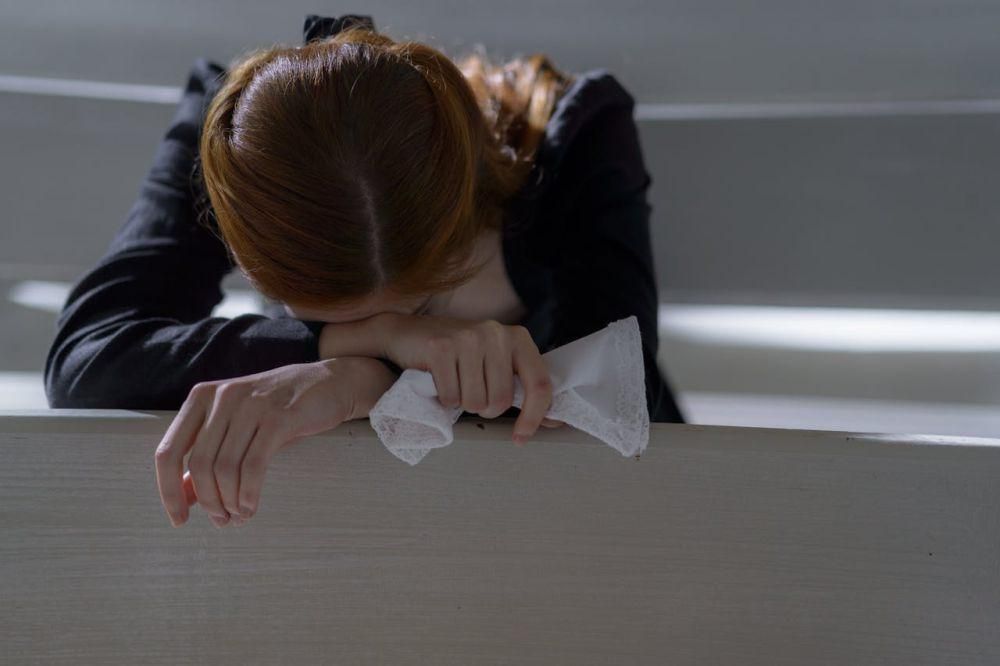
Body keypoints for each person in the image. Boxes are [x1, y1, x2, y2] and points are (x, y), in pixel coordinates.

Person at [43, 14, 685, 529]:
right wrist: (366, 349)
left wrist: (362, 380)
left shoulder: (577, 138)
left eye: (424, 310)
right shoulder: (237, 146)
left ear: (462, 221)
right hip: (331, 521)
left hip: (561, 523)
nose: (395, 334)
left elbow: (625, 397)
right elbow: (86, 358)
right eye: (318, 318)